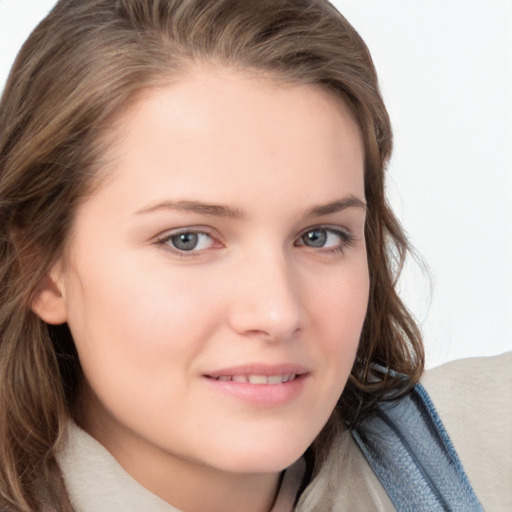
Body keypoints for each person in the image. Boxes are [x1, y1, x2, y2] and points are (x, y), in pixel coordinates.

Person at [0, 1, 509, 511]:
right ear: (40, 269)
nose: (277, 313)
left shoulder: (483, 452)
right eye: (188, 240)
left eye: (320, 236)